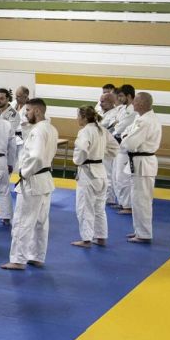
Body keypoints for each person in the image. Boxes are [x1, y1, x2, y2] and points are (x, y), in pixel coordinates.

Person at [2, 98, 58, 271]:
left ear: (38, 111)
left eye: (28, 110)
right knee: (41, 221)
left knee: (22, 221)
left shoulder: (38, 131)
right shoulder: (51, 128)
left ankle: (18, 259)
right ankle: (36, 256)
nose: (25, 114)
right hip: (45, 179)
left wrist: (24, 172)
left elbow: (36, 157)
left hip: (32, 180)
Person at [121, 92, 162, 244]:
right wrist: (126, 138)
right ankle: (140, 231)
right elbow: (126, 135)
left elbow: (130, 143)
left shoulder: (145, 121)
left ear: (143, 104)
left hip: (143, 163)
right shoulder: (143, 118)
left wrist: (125, 139)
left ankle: (144, 234)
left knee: (142, 200)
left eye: (136, 102)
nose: (133, 104)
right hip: (139, 162)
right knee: (137, 199)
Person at [72, 106, 116, 247]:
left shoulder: (85, 131)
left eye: (78, 115)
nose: (77, 118)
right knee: (99, 208)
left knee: (84, 207)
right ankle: (101, 237)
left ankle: (86, 239)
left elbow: (82, 149)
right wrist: (101, 154)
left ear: (84, 117)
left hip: (88, 173)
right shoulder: (101, 130)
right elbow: (115, 148)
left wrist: (78, 161)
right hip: (101, 172)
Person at [107, 84, 138, 213]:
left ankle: (128, 205)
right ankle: (122, 202)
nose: (118, 98)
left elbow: (119, 127)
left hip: (125, 147)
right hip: (117, 145)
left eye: (121, 96)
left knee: (122, 177)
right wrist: (115, 126)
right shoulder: (122, 109)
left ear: (129, 96)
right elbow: (112, 123)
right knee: (115, 176)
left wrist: (115, 126)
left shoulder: (132, 111)